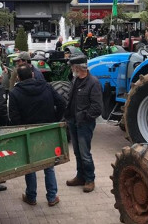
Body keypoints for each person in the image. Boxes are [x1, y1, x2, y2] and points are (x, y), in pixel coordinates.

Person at [9, 65, 65, 207]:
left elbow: (13, 117)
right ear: (33, 74)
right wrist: (55, 120)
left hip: (28, 132)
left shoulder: (15, 92)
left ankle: (31, 196)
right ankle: (52, 197)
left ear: (19, 78)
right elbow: (61, 103)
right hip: (47, 129)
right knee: (49, 164)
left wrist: (21, 129)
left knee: (30, 164)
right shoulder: (46, 86)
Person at [64, 55, 102, 193]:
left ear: (78, 67)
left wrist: (85, 117)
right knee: (77, 152)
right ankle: (80, 177)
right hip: (73, 122)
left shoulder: (93, 82)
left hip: (84, 124)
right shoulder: (75, 80)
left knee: (85, 153)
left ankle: (90, 179)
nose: (71, 69)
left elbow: (97, 107)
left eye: (72, 67)